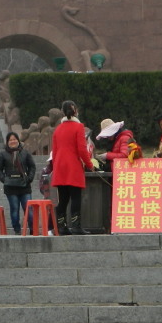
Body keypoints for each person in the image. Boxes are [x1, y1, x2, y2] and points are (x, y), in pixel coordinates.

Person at [50, 100, 95, 235]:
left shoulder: (57, 129)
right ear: (75, 111)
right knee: (75, 197)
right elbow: (82, 150)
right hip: (73, 167)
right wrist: (90, 164)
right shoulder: (78, 127)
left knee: (63, 199)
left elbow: (55, 151)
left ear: (63, 112)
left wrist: (55, 167)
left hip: (59, 167)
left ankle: (61, 227)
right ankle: (76, 226)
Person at [0, 132, 37, 234]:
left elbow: (32, 166)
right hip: (10, 187)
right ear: (7, 142)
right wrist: (4, 179)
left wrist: (29, 178)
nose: (13, 142)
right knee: (14, 209)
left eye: (15, 139)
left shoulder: (25, 153)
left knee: (29, 209)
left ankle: (32, 229)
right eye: (10, 140)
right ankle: (17, 230)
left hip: (24, 186)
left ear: (18, 140)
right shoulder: (3, 154)